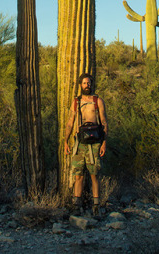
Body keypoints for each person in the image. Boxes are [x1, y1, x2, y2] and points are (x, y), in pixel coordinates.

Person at [64, 73, 108, 216]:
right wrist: (66, 140)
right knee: (78, 175)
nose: (87, 86)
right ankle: (76, 206)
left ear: (91, 84)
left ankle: (96, 206)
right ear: (80, 85)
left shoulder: (98, 101)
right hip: (80, 143)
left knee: (94, 174)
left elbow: (104, 122)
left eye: (88, 83)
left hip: (95, 143)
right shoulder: (76, 102)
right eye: (84, 83)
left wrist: (104, 143)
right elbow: (70, 122)